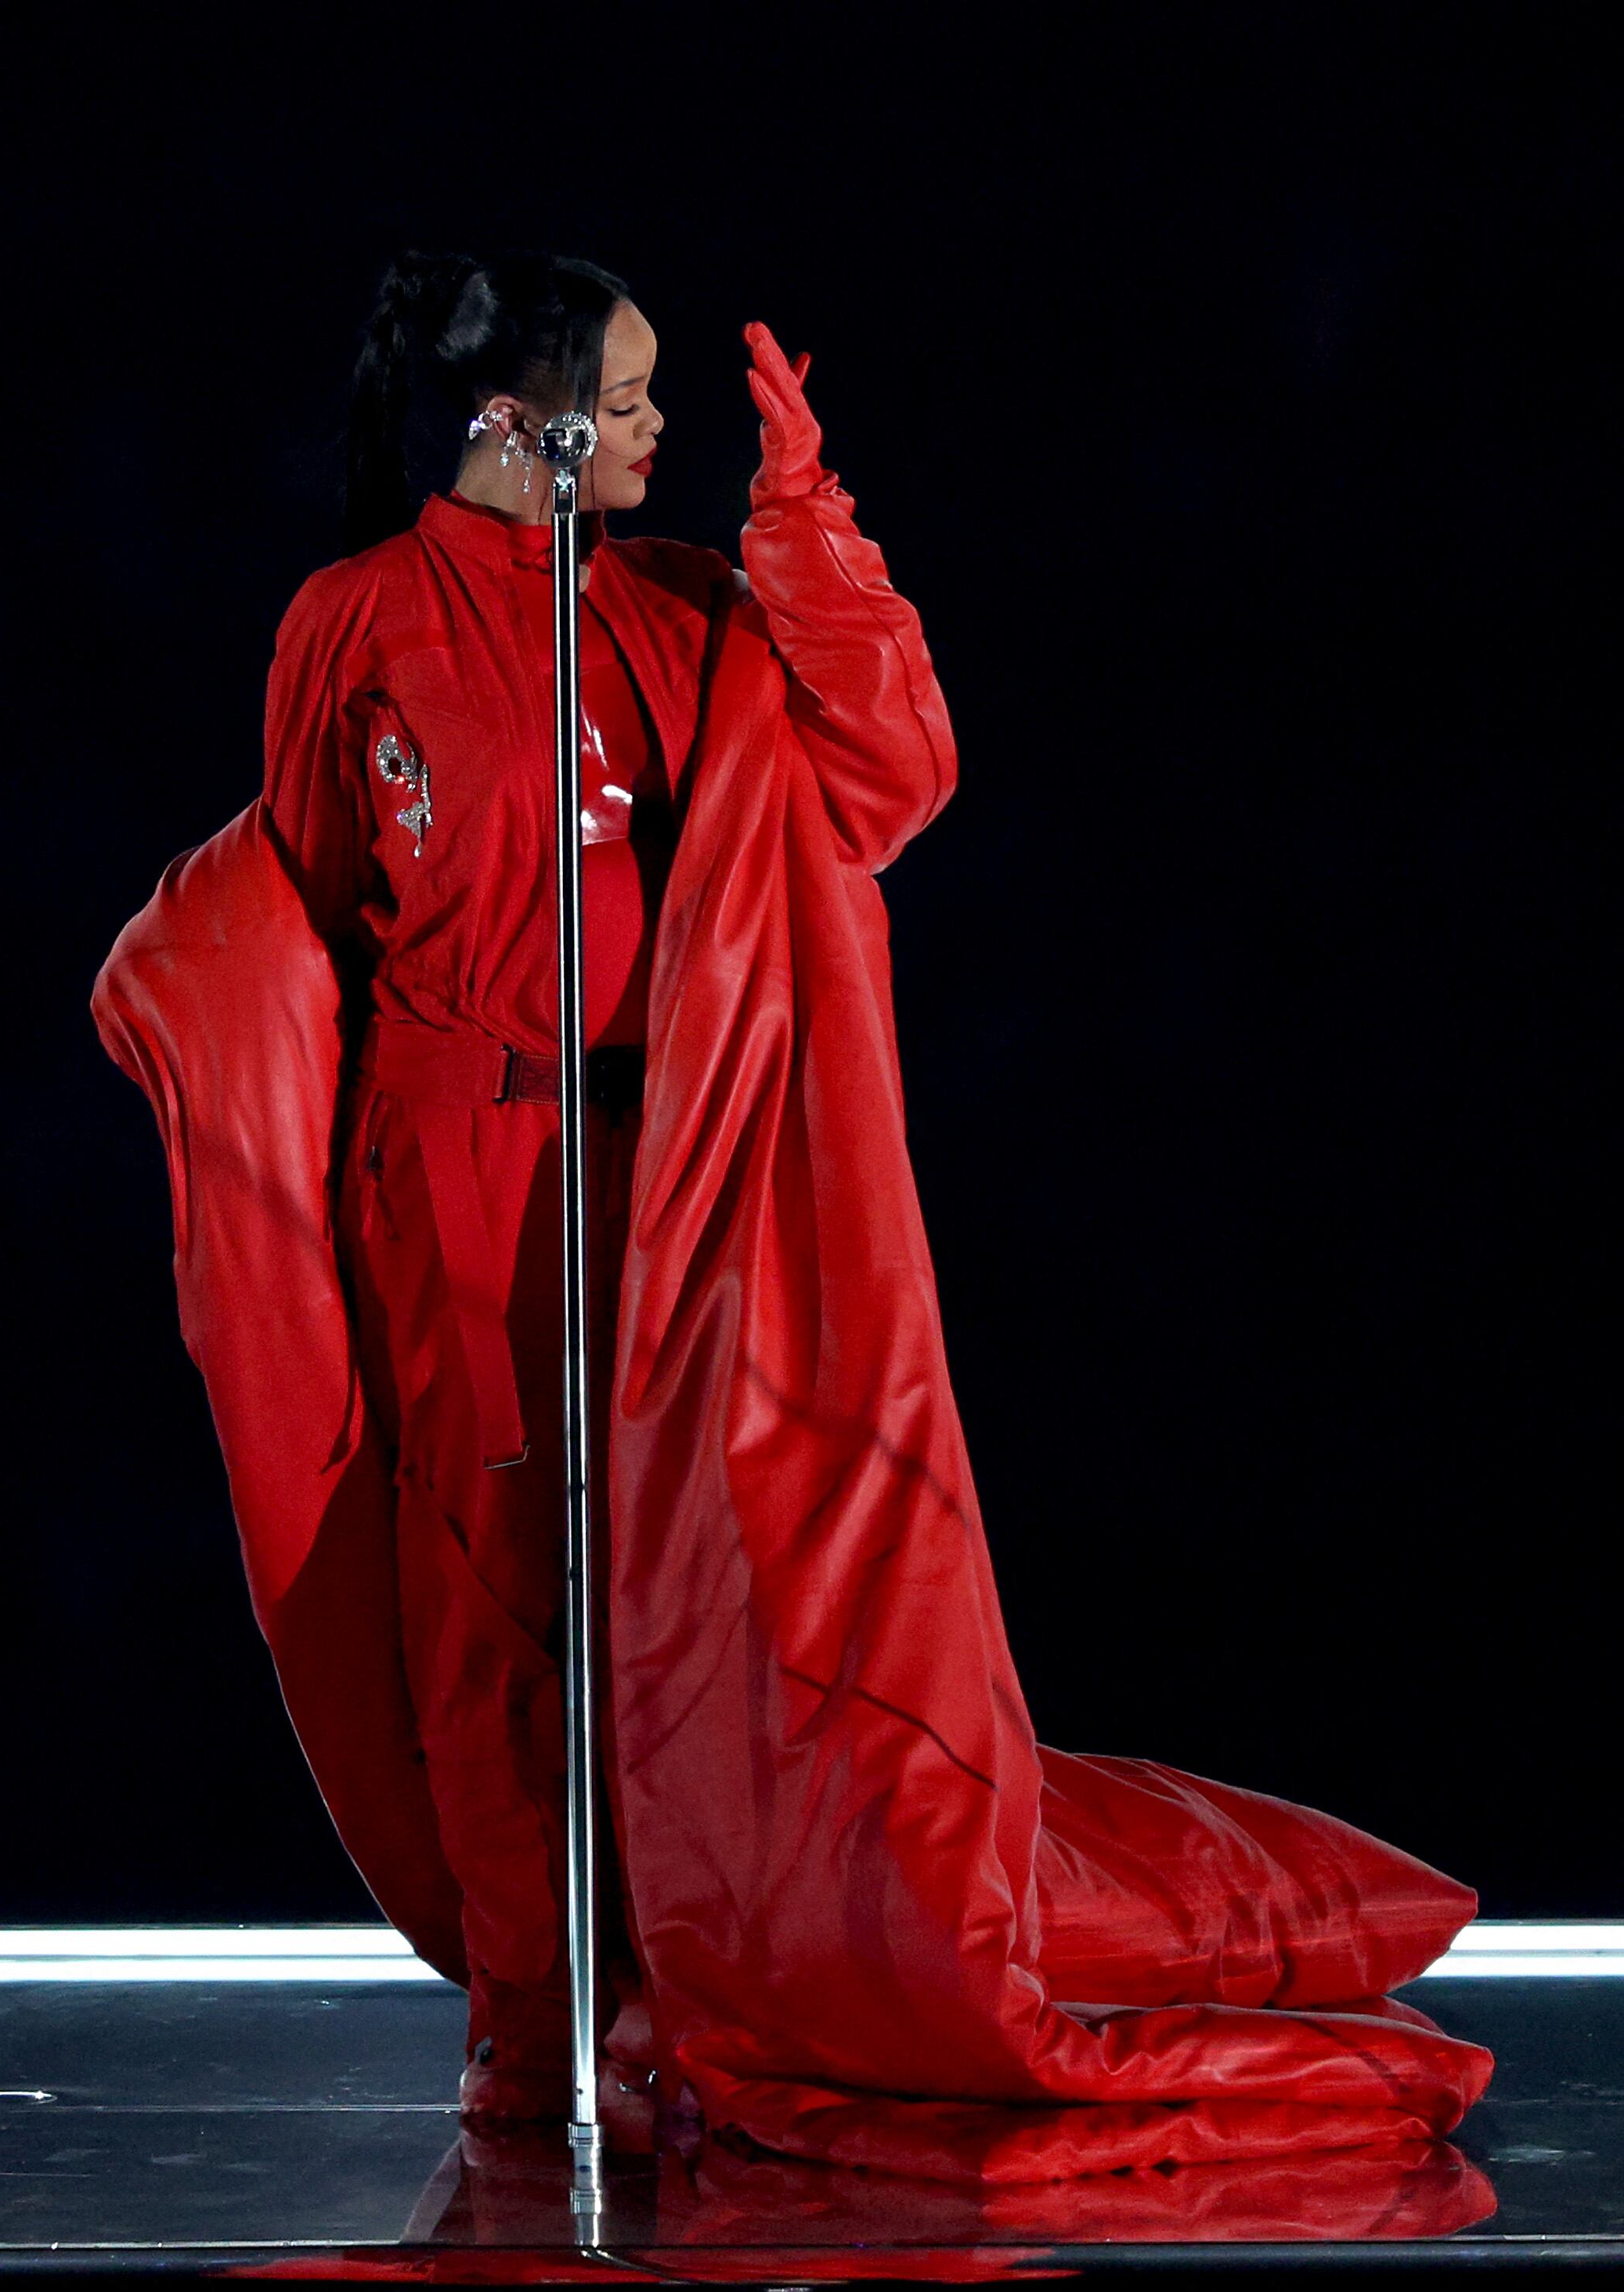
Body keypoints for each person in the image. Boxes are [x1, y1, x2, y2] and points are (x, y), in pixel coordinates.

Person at [95, 248, 1491, 2183]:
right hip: (451, 1175)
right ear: (525, 419)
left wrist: (807, 529)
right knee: (491, 1599)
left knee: (687, 1600)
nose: (667, 427)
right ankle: (532, 2032)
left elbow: (888, 772)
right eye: (641, 399)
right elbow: (315, 908)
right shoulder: (352, 620)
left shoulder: (676, 608)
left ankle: (715, 1982)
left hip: (661, 1179)